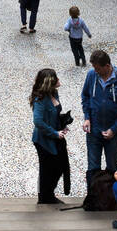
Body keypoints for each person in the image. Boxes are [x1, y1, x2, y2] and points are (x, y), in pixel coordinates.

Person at [81, 49, 117, 182]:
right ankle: (92, 199)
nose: (95, 71)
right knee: (92, 168)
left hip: (113, 134)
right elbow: (85, 96)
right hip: (94, 131)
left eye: (98, 68)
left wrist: (114, 129)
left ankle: (110, 199)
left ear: (107, 66)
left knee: (112, 167)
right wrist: (87, 117)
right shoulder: (91, 75)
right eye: (94, 67)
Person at [31, 69, 69, 205]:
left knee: (58, 167)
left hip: (55, 136)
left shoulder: (54, 93)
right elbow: (38, 121)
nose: (59, 80)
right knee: (47, 169)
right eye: (56, 78)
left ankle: (48, 194)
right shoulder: (40, 99)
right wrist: (54, 133)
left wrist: (62, 124)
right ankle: (45, 197)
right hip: (43, 140)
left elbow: (54, 114)